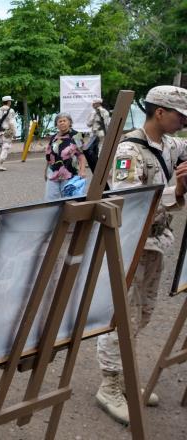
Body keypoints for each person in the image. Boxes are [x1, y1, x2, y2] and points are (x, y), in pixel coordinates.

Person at [95, 85, 187, 425]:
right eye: (180, 115)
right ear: (159, 112)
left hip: (156, 245)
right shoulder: (128, 151)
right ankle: (110, 384)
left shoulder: (169, 145)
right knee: (121, 316)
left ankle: (126, 378)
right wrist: (176, 189)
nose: (184, 121)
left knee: (144, 313)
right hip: (130, 245)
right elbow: (129, 201)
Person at [44, 112, 87, 200]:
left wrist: (82, 171)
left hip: (69, 173)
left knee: (69, 200)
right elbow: (49, 156)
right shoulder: (53, 138)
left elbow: (81, 155)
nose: (62, 123)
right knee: (50, 200)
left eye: (64, 121)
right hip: (53, 173)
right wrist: (45, 171)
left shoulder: (76, 136)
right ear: (56, 124)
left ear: (69, 122)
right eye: (60, 121)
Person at [84, 98, 111, 172]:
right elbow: (108, 124)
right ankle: (101, 162)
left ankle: (96, 162)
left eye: (93, 103)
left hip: (95, 133)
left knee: (90, 148)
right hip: (102, 132)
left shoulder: (93, 112)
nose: (92, 105)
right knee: (101, 147)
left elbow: (89, 124)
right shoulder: (105, 111)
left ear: (96, 104)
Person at [0, 95, 17, 171]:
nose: (10, 102)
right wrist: (14, 133)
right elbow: (12, 123)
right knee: (6, 147)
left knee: (2, 147)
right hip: (7, 132)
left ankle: (0, 163)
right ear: (8, 102)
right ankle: (0, 164)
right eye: (10, 101)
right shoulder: (11, 110)